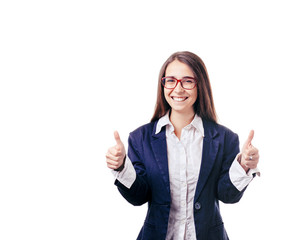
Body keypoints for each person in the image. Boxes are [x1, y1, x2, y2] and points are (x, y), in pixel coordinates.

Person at [105, 51, 260, 240]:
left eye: (187, 81)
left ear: (200, 85)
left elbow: (227, 195)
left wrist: (244, 165)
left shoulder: (224, 138)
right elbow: (139, 196)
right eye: (170, 80)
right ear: (163, 85)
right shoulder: (140, 138)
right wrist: (121, 166)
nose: (178, 89)